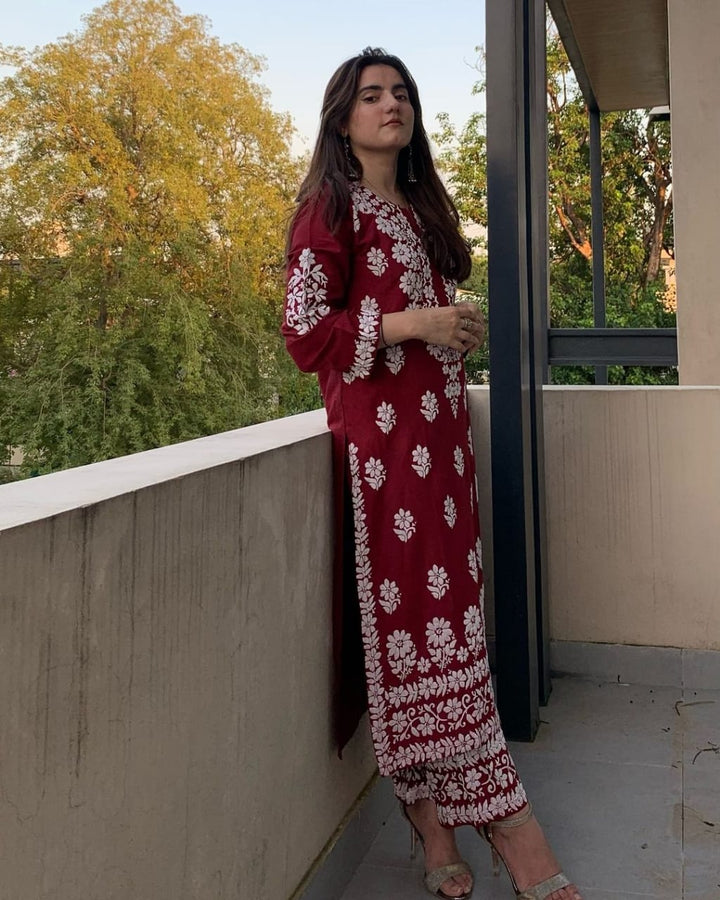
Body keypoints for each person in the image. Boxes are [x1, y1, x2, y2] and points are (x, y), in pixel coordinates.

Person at [282, 47, 582, 900]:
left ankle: (431, 820)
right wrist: (412, 322)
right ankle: (505, 824)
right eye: (372, 95)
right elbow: (305, 331)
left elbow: (420, 324)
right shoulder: (329, 209)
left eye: (402, 93)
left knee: (450, 632)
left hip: (444, 454)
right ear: (343, 119)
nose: (392, 105)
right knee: (423, 634)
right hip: (384, 465)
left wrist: (449, 329)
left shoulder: (416, 208)